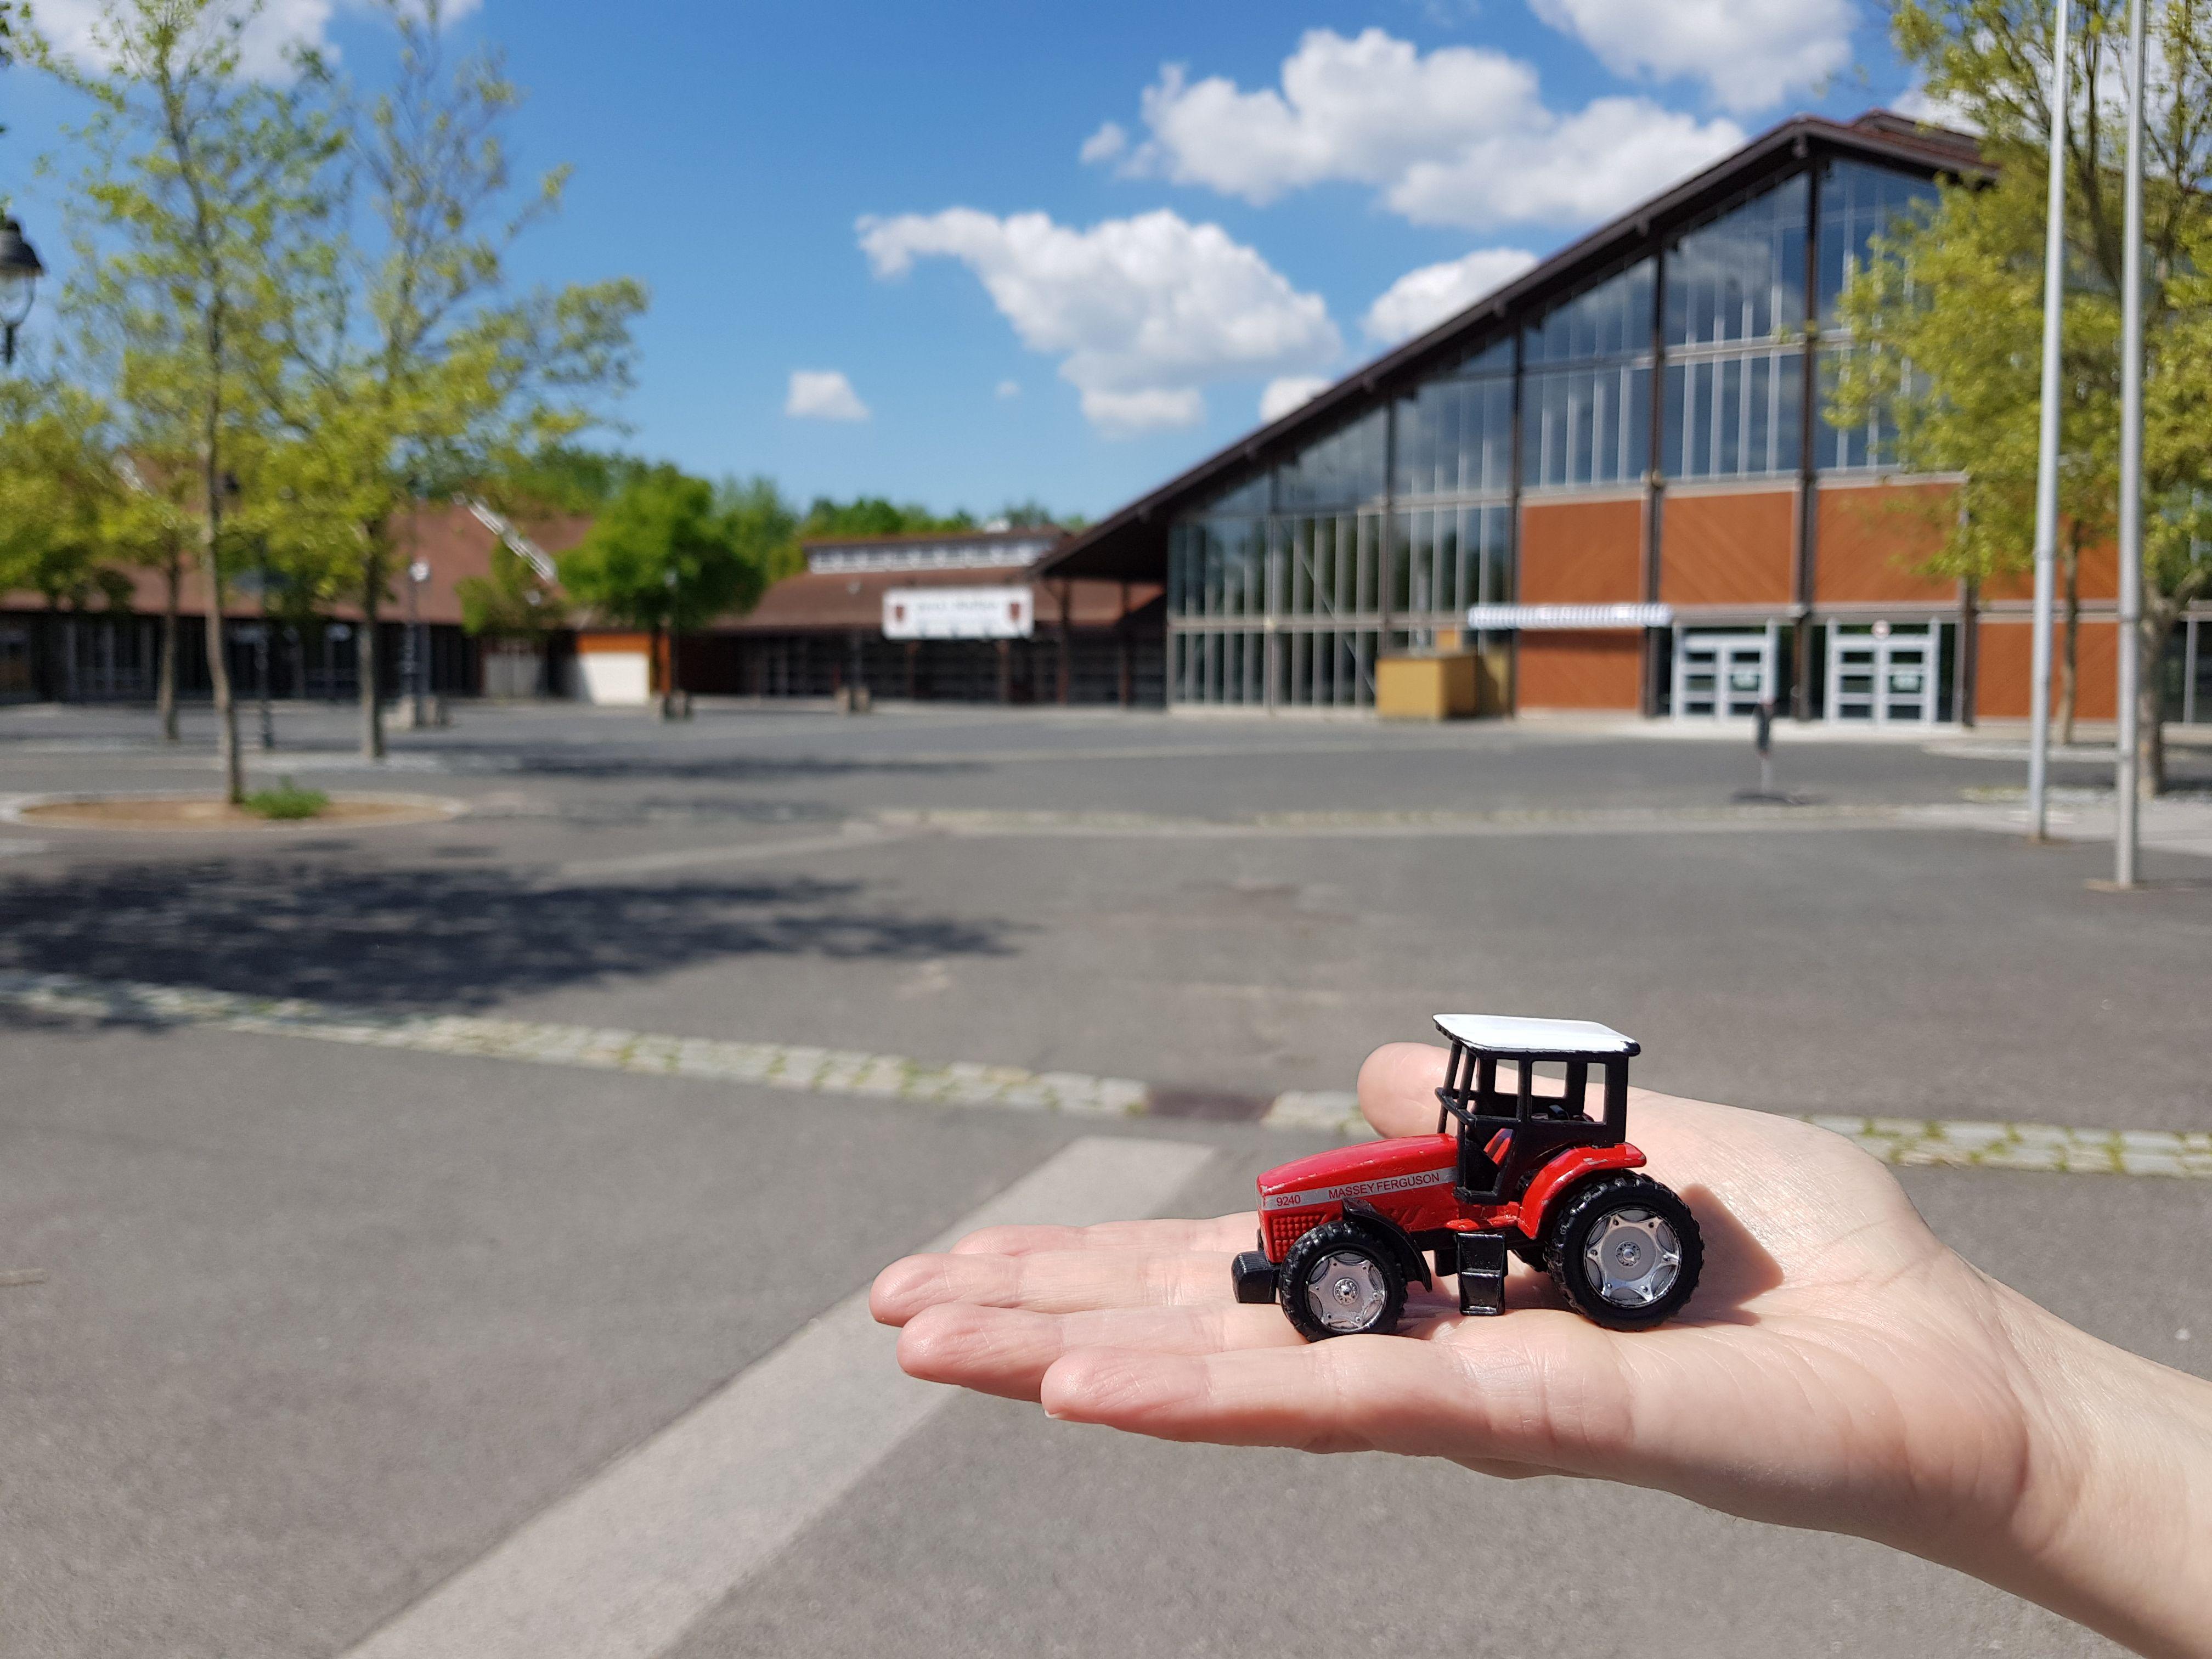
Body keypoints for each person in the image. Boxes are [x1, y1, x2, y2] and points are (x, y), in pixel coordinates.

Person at [873, 1040, 2212, 1659]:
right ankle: (1347, 1267)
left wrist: (2047, 1442)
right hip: (1439, 1219)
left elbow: (1560, 1171)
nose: (1481, 1114)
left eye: (1496, 1094)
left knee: (1481, 1219)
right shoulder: (1458, 1148)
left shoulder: (1589, 1182)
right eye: (1482, 1096)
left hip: (1536, 1201)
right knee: (1383, 1225)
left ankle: (1360, 1276)